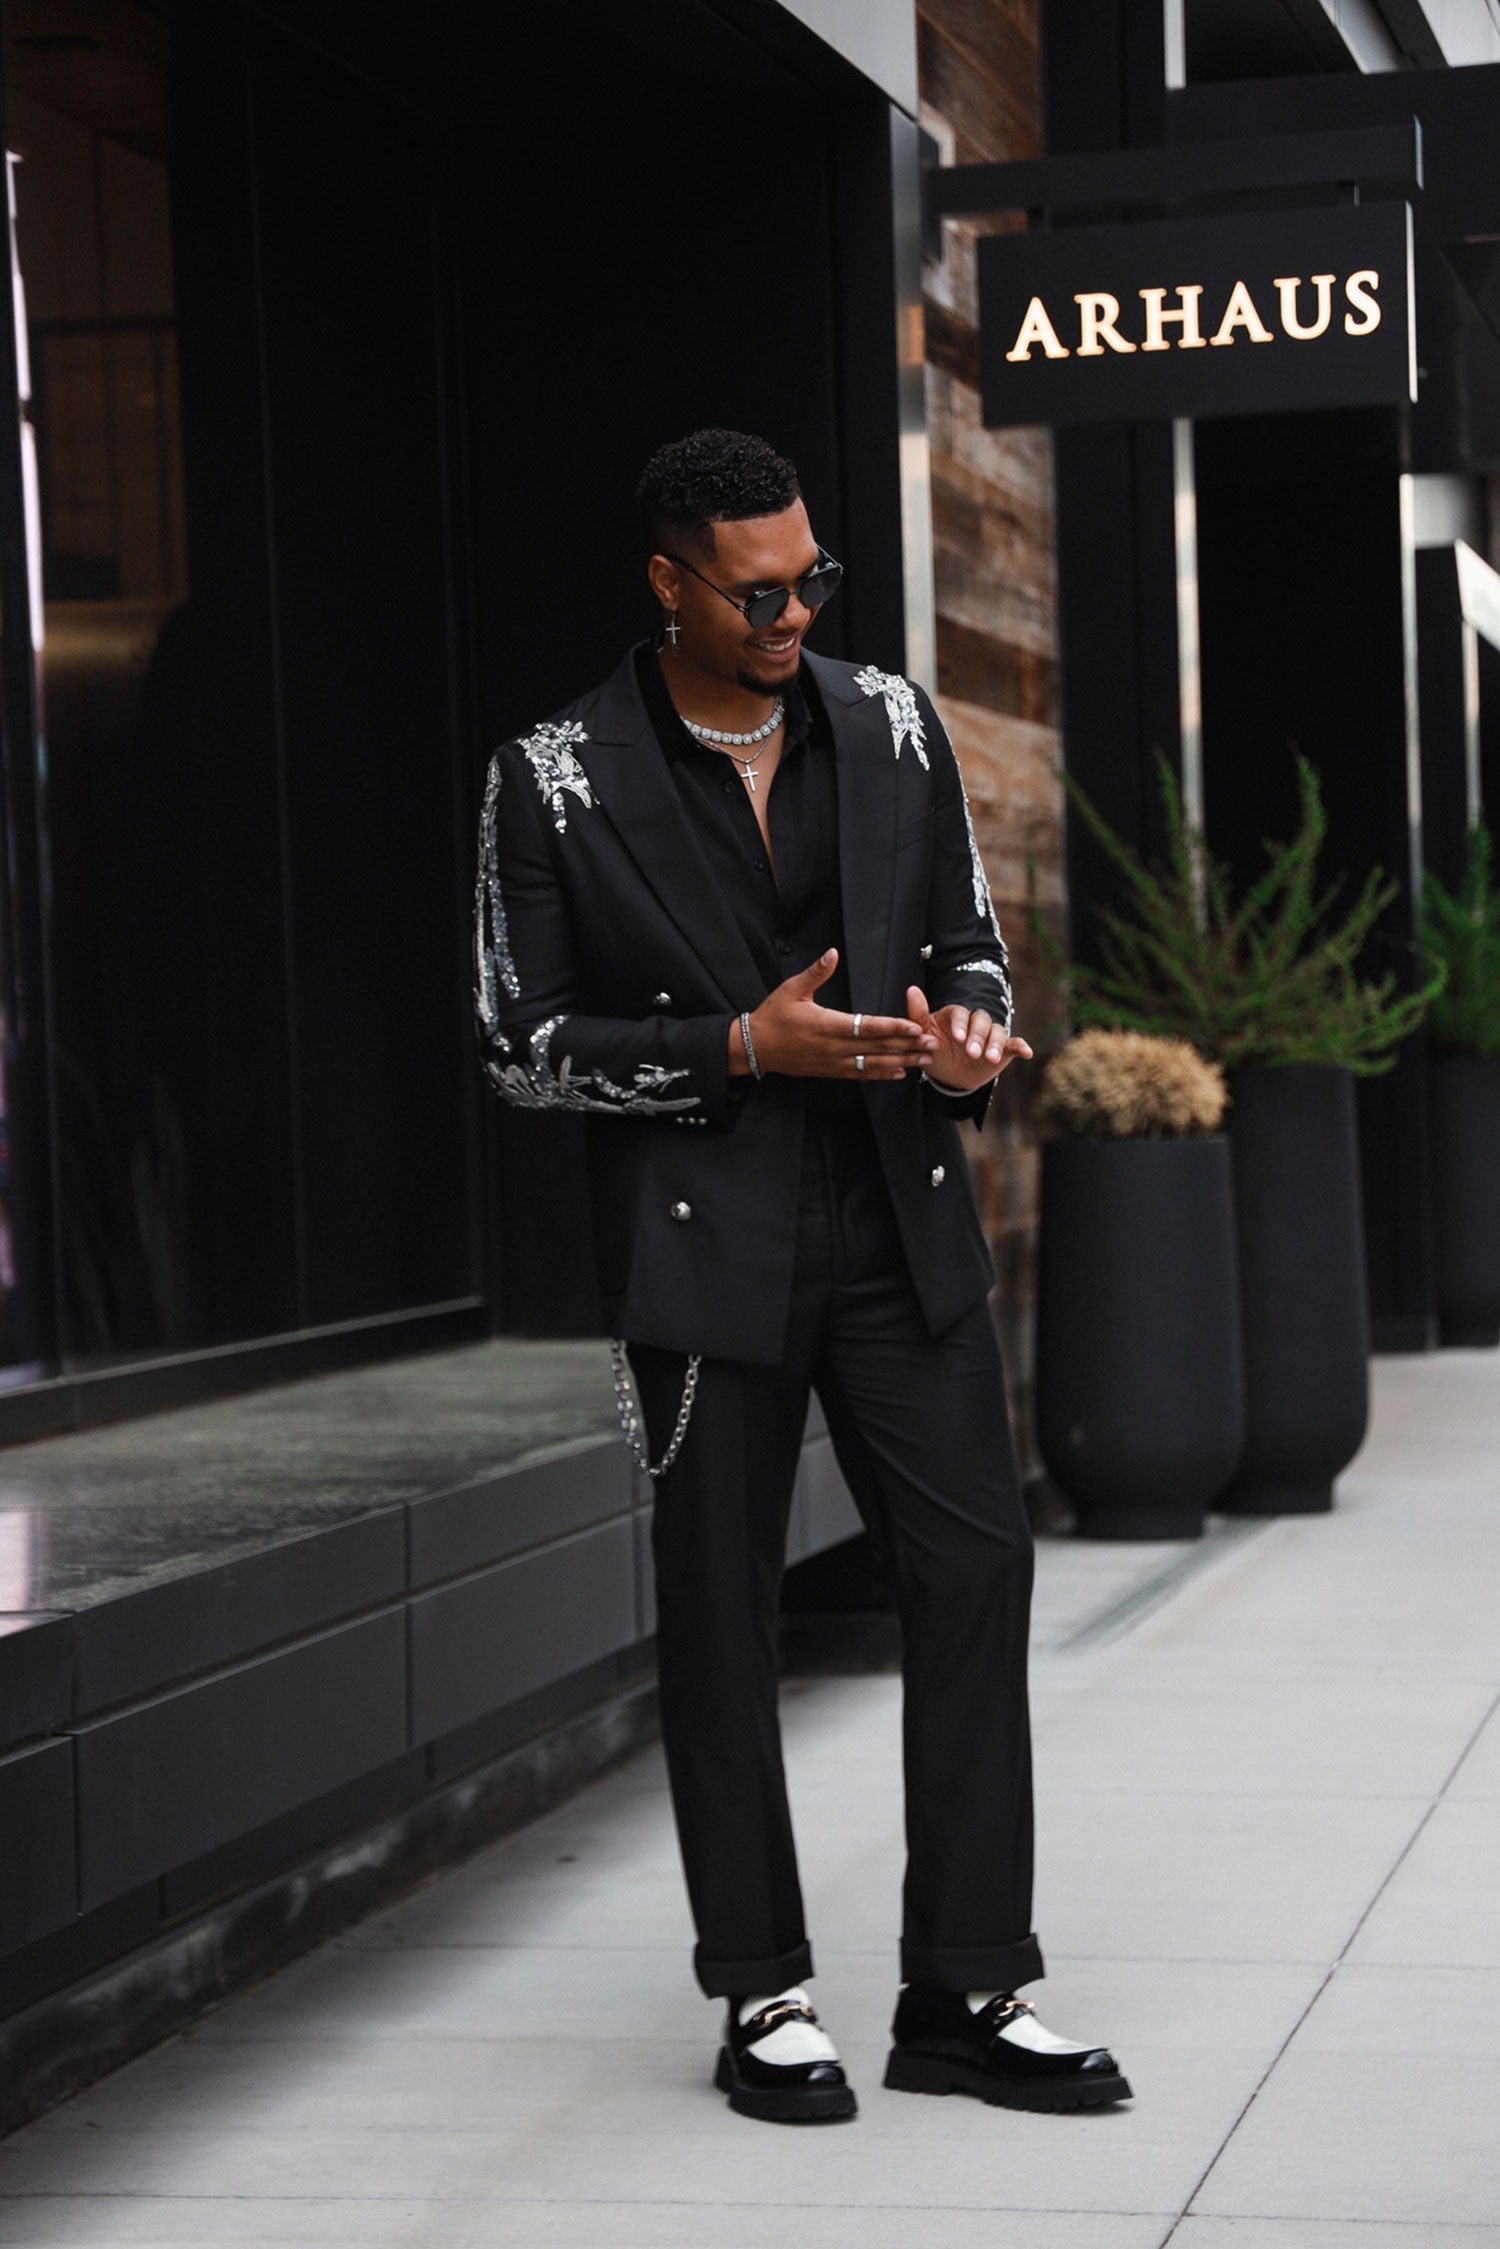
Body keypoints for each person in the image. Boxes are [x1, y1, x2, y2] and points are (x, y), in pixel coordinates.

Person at [474, 428, 1130, 2123]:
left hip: (900, 1217)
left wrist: (971, 1032)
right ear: (668, 582)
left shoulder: (894, 720)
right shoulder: (553, 776)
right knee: (720, 1614)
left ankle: (967, 1985)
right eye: (755, 592)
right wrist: (737, 1047)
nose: (792, 614)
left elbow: (969, 939)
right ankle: (761, 1990)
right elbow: (521, 1046)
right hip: (702, 1249)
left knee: (976, 1571)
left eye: (811, 579)